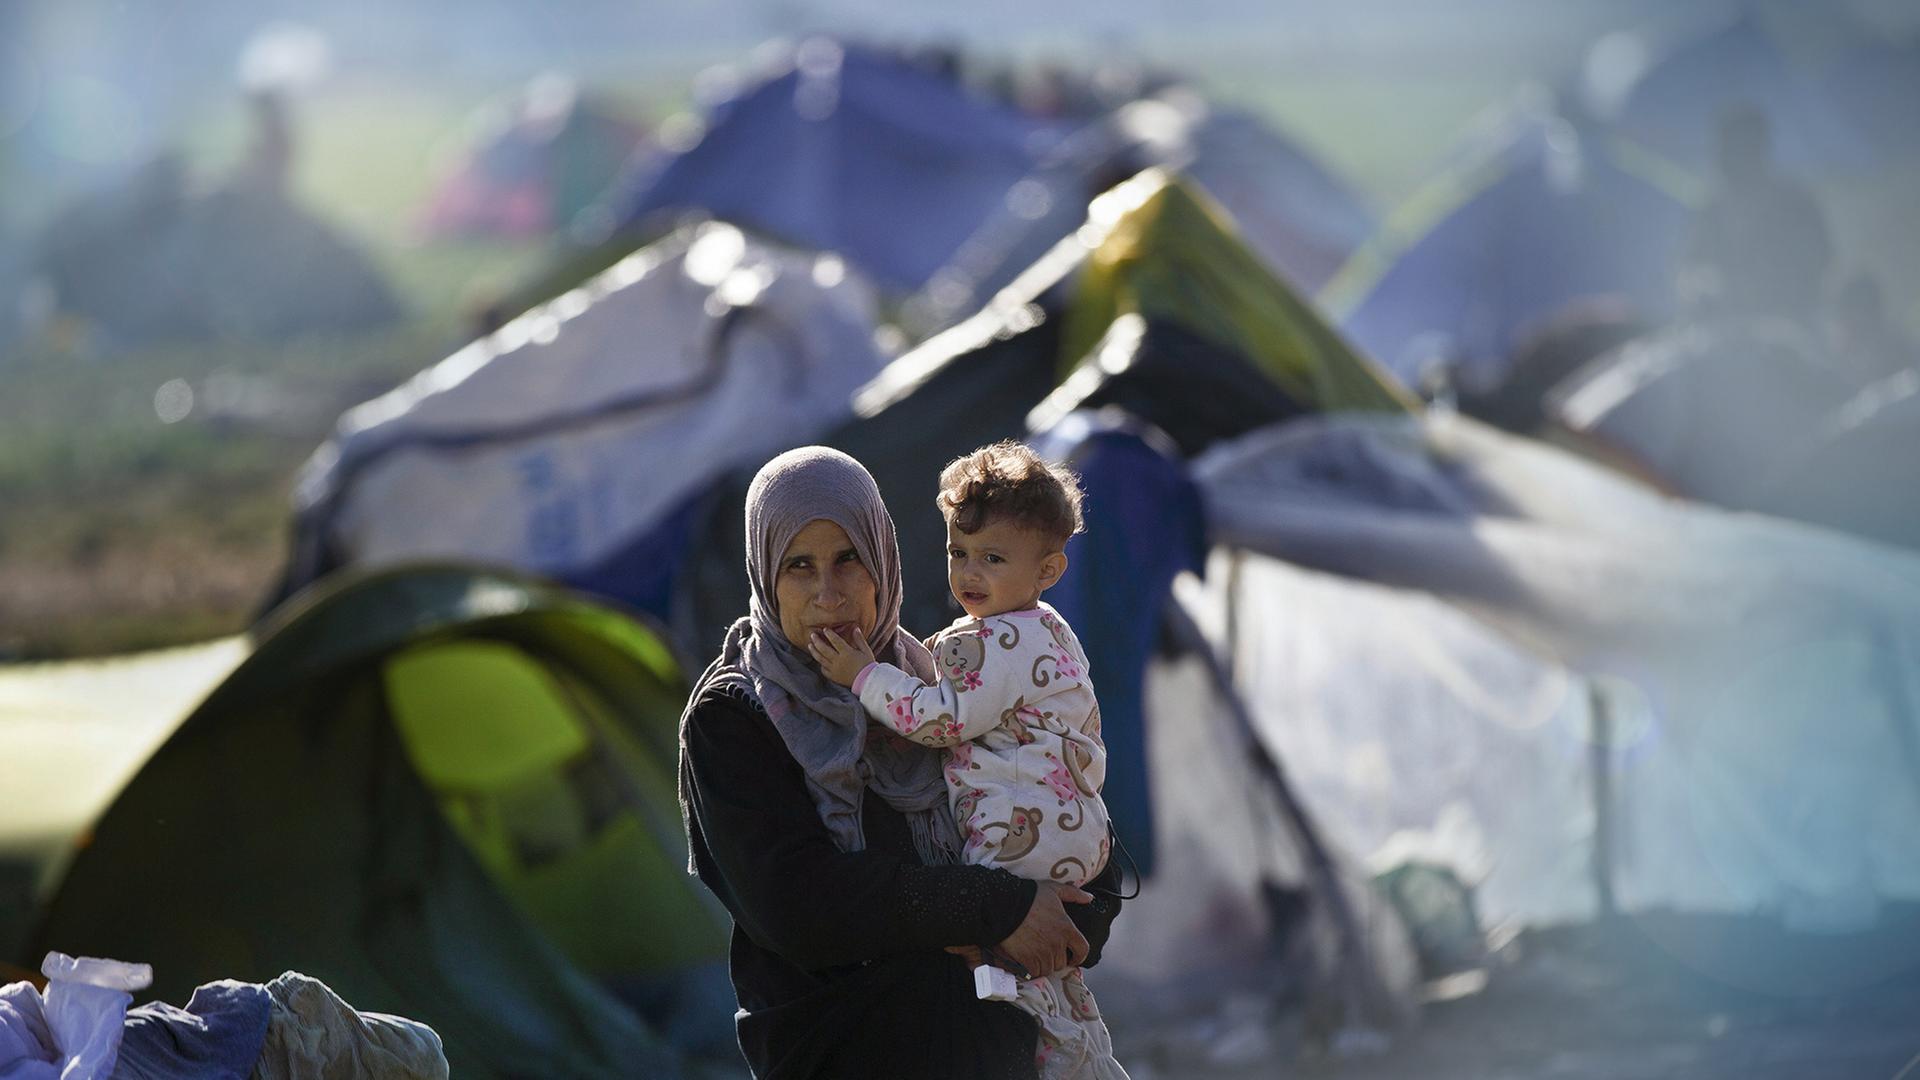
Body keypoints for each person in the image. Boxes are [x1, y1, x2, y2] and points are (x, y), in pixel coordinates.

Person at [677, 445, 1105, 1079]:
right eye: (799, 566)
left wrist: (1066, 911)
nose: (829, 593)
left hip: (988, 1048)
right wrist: (996, 908)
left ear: (883, 558)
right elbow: (797, 904)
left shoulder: (934, 678)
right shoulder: (733, 716)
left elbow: (1061, 811)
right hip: (844, 1049)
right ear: (765, 574)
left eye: (848, 559)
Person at [808, 441, 1127, 1079]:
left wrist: (864, 676)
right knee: (1057, 986)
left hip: (1018, 838)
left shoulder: (998, 640)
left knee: (1010, 985)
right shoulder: (1051, 630)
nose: (968, 573)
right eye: (958, 552)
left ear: (1049, 570)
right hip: (1074, 832)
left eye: (993, 558)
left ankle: (1052, 1061)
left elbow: (942, 718)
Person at [1678, 104, 1832, 328]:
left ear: (1757, 149)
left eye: (1731, 147)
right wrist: (1699, 288)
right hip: (1728, 333)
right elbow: (1692, 268)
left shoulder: (1794, 203)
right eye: (1721, 147)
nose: (1721, 156)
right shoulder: (1713, 210)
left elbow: (1820, 261)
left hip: (1792, 327)